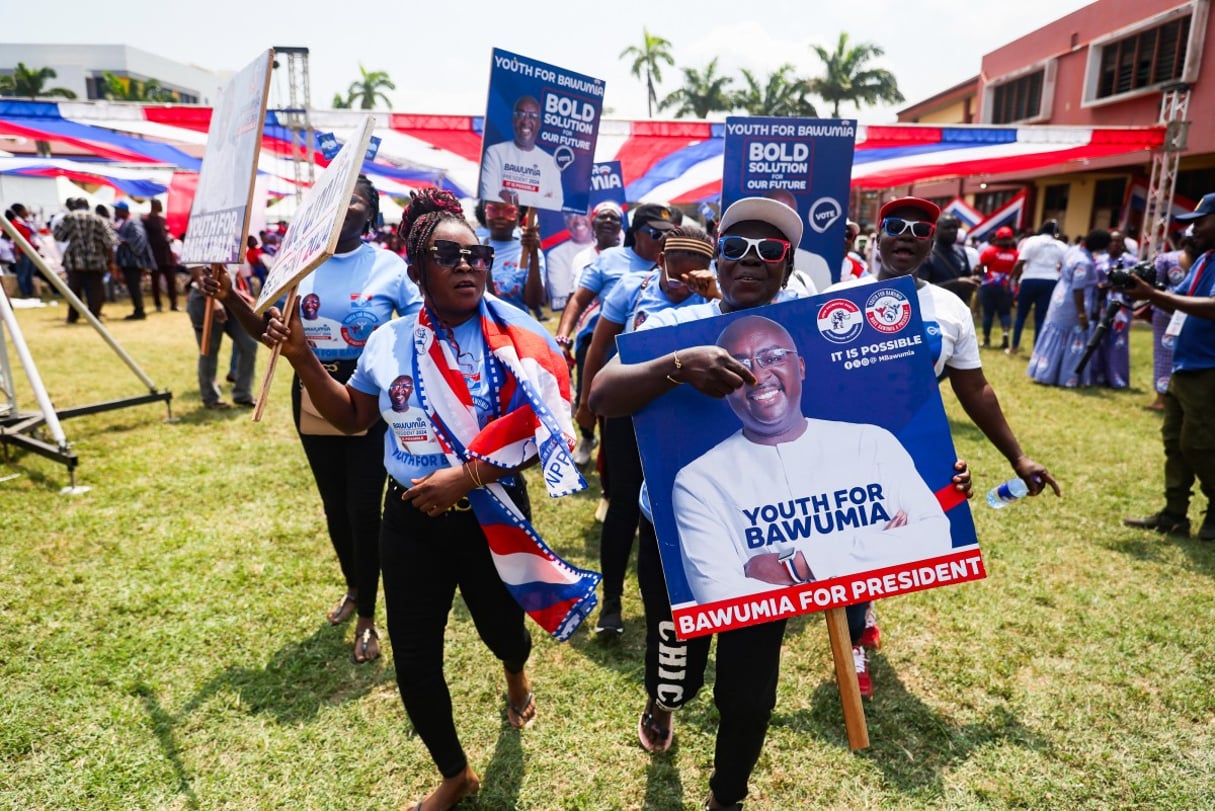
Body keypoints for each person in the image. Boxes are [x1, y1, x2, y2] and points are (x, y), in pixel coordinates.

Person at [588, 197, 971, 808]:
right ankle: (663, 703)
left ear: (788, 262)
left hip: (774, 548)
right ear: (717, 250)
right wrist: (680, 366)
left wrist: (933, 472)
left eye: (770, 251)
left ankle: (727, 797)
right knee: (678, 674)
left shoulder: (812, 333)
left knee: (749, 694)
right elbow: (601, 396)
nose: (751, 261)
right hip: (674, 541)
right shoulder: (670, 328)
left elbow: (879, 424)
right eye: (737, 247)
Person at [264, 186, 592, 811]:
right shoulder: (388, 340)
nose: (468, 265)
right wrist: (306, 360)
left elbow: (542, 429)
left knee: (503, 629)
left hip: (492, 511)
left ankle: (515, 671)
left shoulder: (517, 332)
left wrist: (464, 479)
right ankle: (456, 772)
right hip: (409, 520)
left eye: (475, 255)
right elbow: (356, 416)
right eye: (448, 255)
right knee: (414, 660)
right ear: (417, 271)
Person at [830, 196, 1059, 698]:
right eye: (896, 226)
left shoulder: (949, 308)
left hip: (909, 450)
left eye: (919, 230)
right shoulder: (836, 296)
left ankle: (857, 631)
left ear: (930, 244)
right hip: (838, 449)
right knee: (842, 547)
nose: (906, 235)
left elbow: (974, 387)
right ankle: (854, 628)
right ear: (877, 236)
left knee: (885, 542)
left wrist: (1018, 458)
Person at [203, 176, 420, 664]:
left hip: (368, 395)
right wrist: (232, 297)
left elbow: (415, 333)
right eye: (337, 202)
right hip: (311, 391)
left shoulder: (391, 268)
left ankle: (368, 613)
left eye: (356, 203)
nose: (344, 211)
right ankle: (353, 585)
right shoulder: (297, 265)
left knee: (365, 509)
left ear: (372, 214)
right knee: (335, 506)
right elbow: (270, 331)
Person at [673, 315, 953, 605]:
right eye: (739, 365)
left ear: (801, 367)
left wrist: (797, 566)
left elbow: (935, 541)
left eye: (773, 357)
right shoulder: (697, 481)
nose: (756, 375)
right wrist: (877, 550)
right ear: (723, 384)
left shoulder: (871, 442)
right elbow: (719, 597)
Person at [575, 226, 714, 634]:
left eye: (694, 277)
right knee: (622, 502)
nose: (681, 286)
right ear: (660, 262)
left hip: (682, 418)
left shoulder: (713, 300)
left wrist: (713, 294)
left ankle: (687, 603)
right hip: (628, 408)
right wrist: (586, 405)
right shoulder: (631, 290)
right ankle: (612, 603)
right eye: (676, 274)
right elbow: (600, 349)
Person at [1122, 192, 1215, 542]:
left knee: (1201, 444)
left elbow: (1211, 307)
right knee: (1175, 442)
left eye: (1201, 220)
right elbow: (1181, 293)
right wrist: (1143, 287)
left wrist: (1155, 294)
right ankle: (1174, 514)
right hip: (1186, 364)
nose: (1194, 229)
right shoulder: (1206, 259)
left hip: (1210, 367)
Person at [556, 203, 673, 466]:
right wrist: (563, 339)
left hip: (645, 351)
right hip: (600, 344)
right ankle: (588, 437)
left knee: (624, 420)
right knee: (593, 406)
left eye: (668, 233)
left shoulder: (673, 264)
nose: (663, 240)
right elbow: (577, 300)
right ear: (636, 233)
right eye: (656, 233)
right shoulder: (610, 259)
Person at [1027, 229, 1112, 388]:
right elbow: (1078, 289)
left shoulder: (1072, 250)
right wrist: (1081, 314)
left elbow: (1062, 268)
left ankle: (1045, 372)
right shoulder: (1084, 262)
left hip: (1060, 295)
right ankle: (1067, 378)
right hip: (1072, 303)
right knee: (1073, 338)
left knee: (1055, 336)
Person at [479, 95, 564, 210]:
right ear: (513, 120)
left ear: (539, 123)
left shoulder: (550, 163)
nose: (525, 121)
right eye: (520, 115)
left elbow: (557, 204)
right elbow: (488, 196)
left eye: (532, 116)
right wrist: (541, 199)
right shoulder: (494, 153)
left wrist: (515, 197)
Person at [1146, 235, 1197, 410]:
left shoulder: (1168, 258)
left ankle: (1164, 399)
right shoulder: (1204, 261)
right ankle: (1168, 399)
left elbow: (1152, 287)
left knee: (1165, 354)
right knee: (1172, 354)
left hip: (1174, 311)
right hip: (1184, 311)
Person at [475, 199, 545, 315]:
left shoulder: (527, 252)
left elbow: (534, 303)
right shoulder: (475, 247)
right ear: (485, 212)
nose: (501, 216)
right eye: (493, 210)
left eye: (509, 211)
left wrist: (534, 255)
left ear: (519, 214)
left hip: (516, 327)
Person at [1007, 220, 1066, 355]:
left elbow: (1020, 262)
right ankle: (1037, 350)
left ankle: (1014, 347)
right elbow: (1066, 264)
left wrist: (1011, 279)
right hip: (1050, 281)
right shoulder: (1061, 245)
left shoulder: (1031, 241)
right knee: (1040, 317)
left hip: (1029, 280)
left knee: (1021, 315)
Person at [53, 197, 115, 323]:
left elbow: (58, 236)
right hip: (96, 260)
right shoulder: (99, 219)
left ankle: (73, 316)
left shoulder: (69, 218)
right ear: (88, 206)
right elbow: (110, 240)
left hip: (74, 260)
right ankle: (94, 315)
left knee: (74, 290)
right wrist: (109, 260)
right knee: (95, 290)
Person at [1088, 230, 1136, 389]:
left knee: (1118, 342)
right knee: (1099, 339)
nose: (1114, 244)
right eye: (1112, 241)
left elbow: (1136, 284)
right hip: (1102, 304)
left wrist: (1117, 286)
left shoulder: (1130, 261)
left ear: (1123, 243)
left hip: (1121, 306)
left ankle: (1117, 379)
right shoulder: (1099, 260)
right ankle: (1098, 377)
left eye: (1118, 241)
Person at [916, 213, 978, 305]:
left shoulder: (961, 251)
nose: (952, 231)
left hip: (958, 306)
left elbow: (966, 275)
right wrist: (955, 284)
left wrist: (972, 279)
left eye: (955, 227)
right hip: (936, 306)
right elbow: (922, 289)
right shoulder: (927, 254)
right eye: (947, 227)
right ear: (936, 230)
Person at [975, 226, 1018, 349]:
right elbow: (1017, 271)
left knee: (988, 314)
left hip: (989, 285)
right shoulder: (1015, 254)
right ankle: (1005, 334)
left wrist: (987, 271)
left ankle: (987, 340)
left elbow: (982, 266)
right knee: (1005, 313)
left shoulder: (989, 251)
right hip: (1006, 286)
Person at [112, 201, 156, 320]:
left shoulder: (133, 222)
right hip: (128, 261)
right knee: (132, 286)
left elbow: (139, 238)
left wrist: (124, 241)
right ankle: (138, 309)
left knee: (134, 286)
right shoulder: (124, 223)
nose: (115, 212)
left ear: (124, 211)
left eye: (117, 209)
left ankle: (139, 311)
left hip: (133, 262)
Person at [544, 211, 594, 310]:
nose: (578, 220)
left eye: (582, 214)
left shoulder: (608, 249)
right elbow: (561, 297)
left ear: (591, 216)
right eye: (571, 215)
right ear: (565, 221)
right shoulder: (556, 255)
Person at [144, 199, 179, 312]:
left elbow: (166, 233)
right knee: (155, 282)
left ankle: (174, 304)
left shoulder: (162, 220)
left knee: (171, 281)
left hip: (167, 255)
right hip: (155, 256)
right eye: (159, 204)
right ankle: (158, 305)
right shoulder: (146, 220)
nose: (161, 207)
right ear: (154, 205)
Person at [5, 204, 41, 298]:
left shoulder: (25, 222)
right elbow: (14, 240)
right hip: (21, 252)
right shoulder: (15, 223)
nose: (27, 212)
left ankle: (30, 292)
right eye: (25, 210)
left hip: (30, 251)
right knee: (22, 273)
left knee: (30, 273)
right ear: (20, 211)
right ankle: (25, 293)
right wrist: (17, 254)